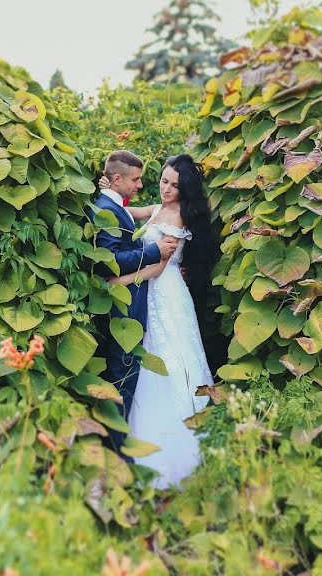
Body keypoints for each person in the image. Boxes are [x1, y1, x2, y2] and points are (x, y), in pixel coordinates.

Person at [99, 154, 216, 488]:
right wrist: (108, 188)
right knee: (146, 356)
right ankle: (134, 445)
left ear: (185, 190)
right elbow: (126, 211)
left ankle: (177, 450)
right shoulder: (157, 208)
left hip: (164, 290)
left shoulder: (180, 217)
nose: (165, 189)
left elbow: (160, 267)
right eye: (163, 181)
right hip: (146, 289)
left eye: (174, 185)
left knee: (170, 358)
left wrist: (117, 283)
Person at [91, 150, 177, 456]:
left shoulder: (113, 204)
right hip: (122, 307)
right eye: (136, 179)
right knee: (121, 376)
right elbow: (109, 261)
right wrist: (154, 252)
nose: (141, 185)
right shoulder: (107, 210)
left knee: (125, 375)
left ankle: (117, 444)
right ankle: (115, 452)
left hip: (132, 300)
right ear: (117, 179)